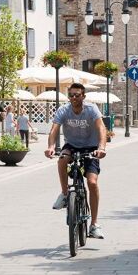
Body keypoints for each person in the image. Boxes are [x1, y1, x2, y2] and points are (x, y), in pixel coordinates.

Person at [45, 82, 108, 239]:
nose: (73, 98)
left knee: (92, 183)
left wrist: (101, 147)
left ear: (83, 96)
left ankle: (94, 224)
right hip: (72, 146)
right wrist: (51, 146)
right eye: (71, 95)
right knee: (62, 159)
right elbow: (54, 129)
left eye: (77, 95)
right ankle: (65, 194)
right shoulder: (63, 110)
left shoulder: (91, 109)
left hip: (91, 147)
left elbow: (101, 128)